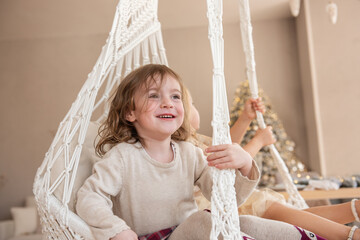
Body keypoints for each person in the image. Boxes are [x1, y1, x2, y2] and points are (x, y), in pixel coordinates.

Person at [76, 64, 325, 240]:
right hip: (152, 237)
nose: (168, 103)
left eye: (175, 97)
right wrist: (116, 230)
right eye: (154, 96)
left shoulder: (189, 153)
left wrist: (245, 164)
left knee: (242, 222)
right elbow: (89, 197)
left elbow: (225, 199)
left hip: (192, 233)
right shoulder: (122, 157)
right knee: (201, 220)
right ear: (130, 113)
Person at [187, 91, 360, 240]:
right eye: (192, 103)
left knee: (292, 215)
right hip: (217, 206)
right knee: (284, 214)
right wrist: (258, 141)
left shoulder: (196, 139)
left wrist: (245, 119)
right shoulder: (188, 145)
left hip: (229, 200)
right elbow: (227, 164)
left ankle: (353, 213)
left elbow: (226, 147)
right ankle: (349, 231)